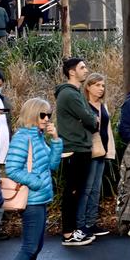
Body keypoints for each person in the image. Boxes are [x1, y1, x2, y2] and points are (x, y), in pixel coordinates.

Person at [0, 98, 62, 260]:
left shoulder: (39, 137)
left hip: (41, 198)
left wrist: (56, 140)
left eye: (49, 115)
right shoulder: (23, 137)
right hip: (31, 200)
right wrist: (36, 182)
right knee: (29, 247)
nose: (46, 119)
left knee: (37, 246)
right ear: (33, 114)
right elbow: (13, 169)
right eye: (43, 115)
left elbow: (52, 165)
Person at [55, 58, 98, 246]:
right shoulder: (69, 95)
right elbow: (90, 120)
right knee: (72, 191)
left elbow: (90, 118)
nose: (86, 70)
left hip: (81, 147)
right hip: (74, 148)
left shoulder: (76, 93)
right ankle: (68, 233)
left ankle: (72, 230)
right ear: (72, 72)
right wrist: (90, 119)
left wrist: (89, 119)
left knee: (77, 190)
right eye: (82, 67)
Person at [76, 73, 115, 238]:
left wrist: (110, 151)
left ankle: (91, 223)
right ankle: (80, 225)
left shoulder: (102, 105)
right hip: (89, 152)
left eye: (103, 85)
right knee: (86, 189)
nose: (101, 88)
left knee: (95, 190)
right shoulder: (83, 106)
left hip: (102, 151)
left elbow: (108, 130)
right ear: (88, 87)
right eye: (97, 85)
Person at [0, 69, 13, 241]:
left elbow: (9, 125)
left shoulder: (3, 99)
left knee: (1, 192)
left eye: (0, 86)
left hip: (5, 154)